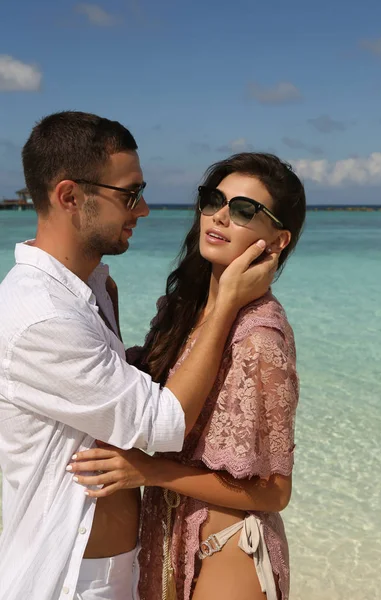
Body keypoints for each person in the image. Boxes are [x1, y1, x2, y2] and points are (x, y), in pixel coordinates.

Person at [0, 113, 277, 600]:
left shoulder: (88, 289)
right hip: (71, 577)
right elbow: (163, 422)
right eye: (129, 194)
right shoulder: (43, 316)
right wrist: (227, 301)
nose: (144, 209)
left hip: (119, 567)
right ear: (70, 197)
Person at [69, 152, 306, 600]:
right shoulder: (187, 310)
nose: (219, 216)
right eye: (213, 200)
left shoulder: (261, 339)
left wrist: (150, 472)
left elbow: (275, 493)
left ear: (276, 241)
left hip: (230, 549)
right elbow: (140, 397)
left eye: (243, 210)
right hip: (169, 541)